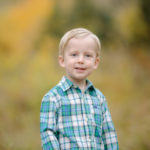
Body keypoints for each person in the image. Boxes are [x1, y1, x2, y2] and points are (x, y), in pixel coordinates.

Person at [40, 28, 119, 150]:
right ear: (62, 60)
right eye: (74, 55)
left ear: (95, 62)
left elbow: (108, 133)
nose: (81, 60)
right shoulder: (53, 97)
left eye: (87, 55)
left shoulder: (99, 97)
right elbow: (47, 134)